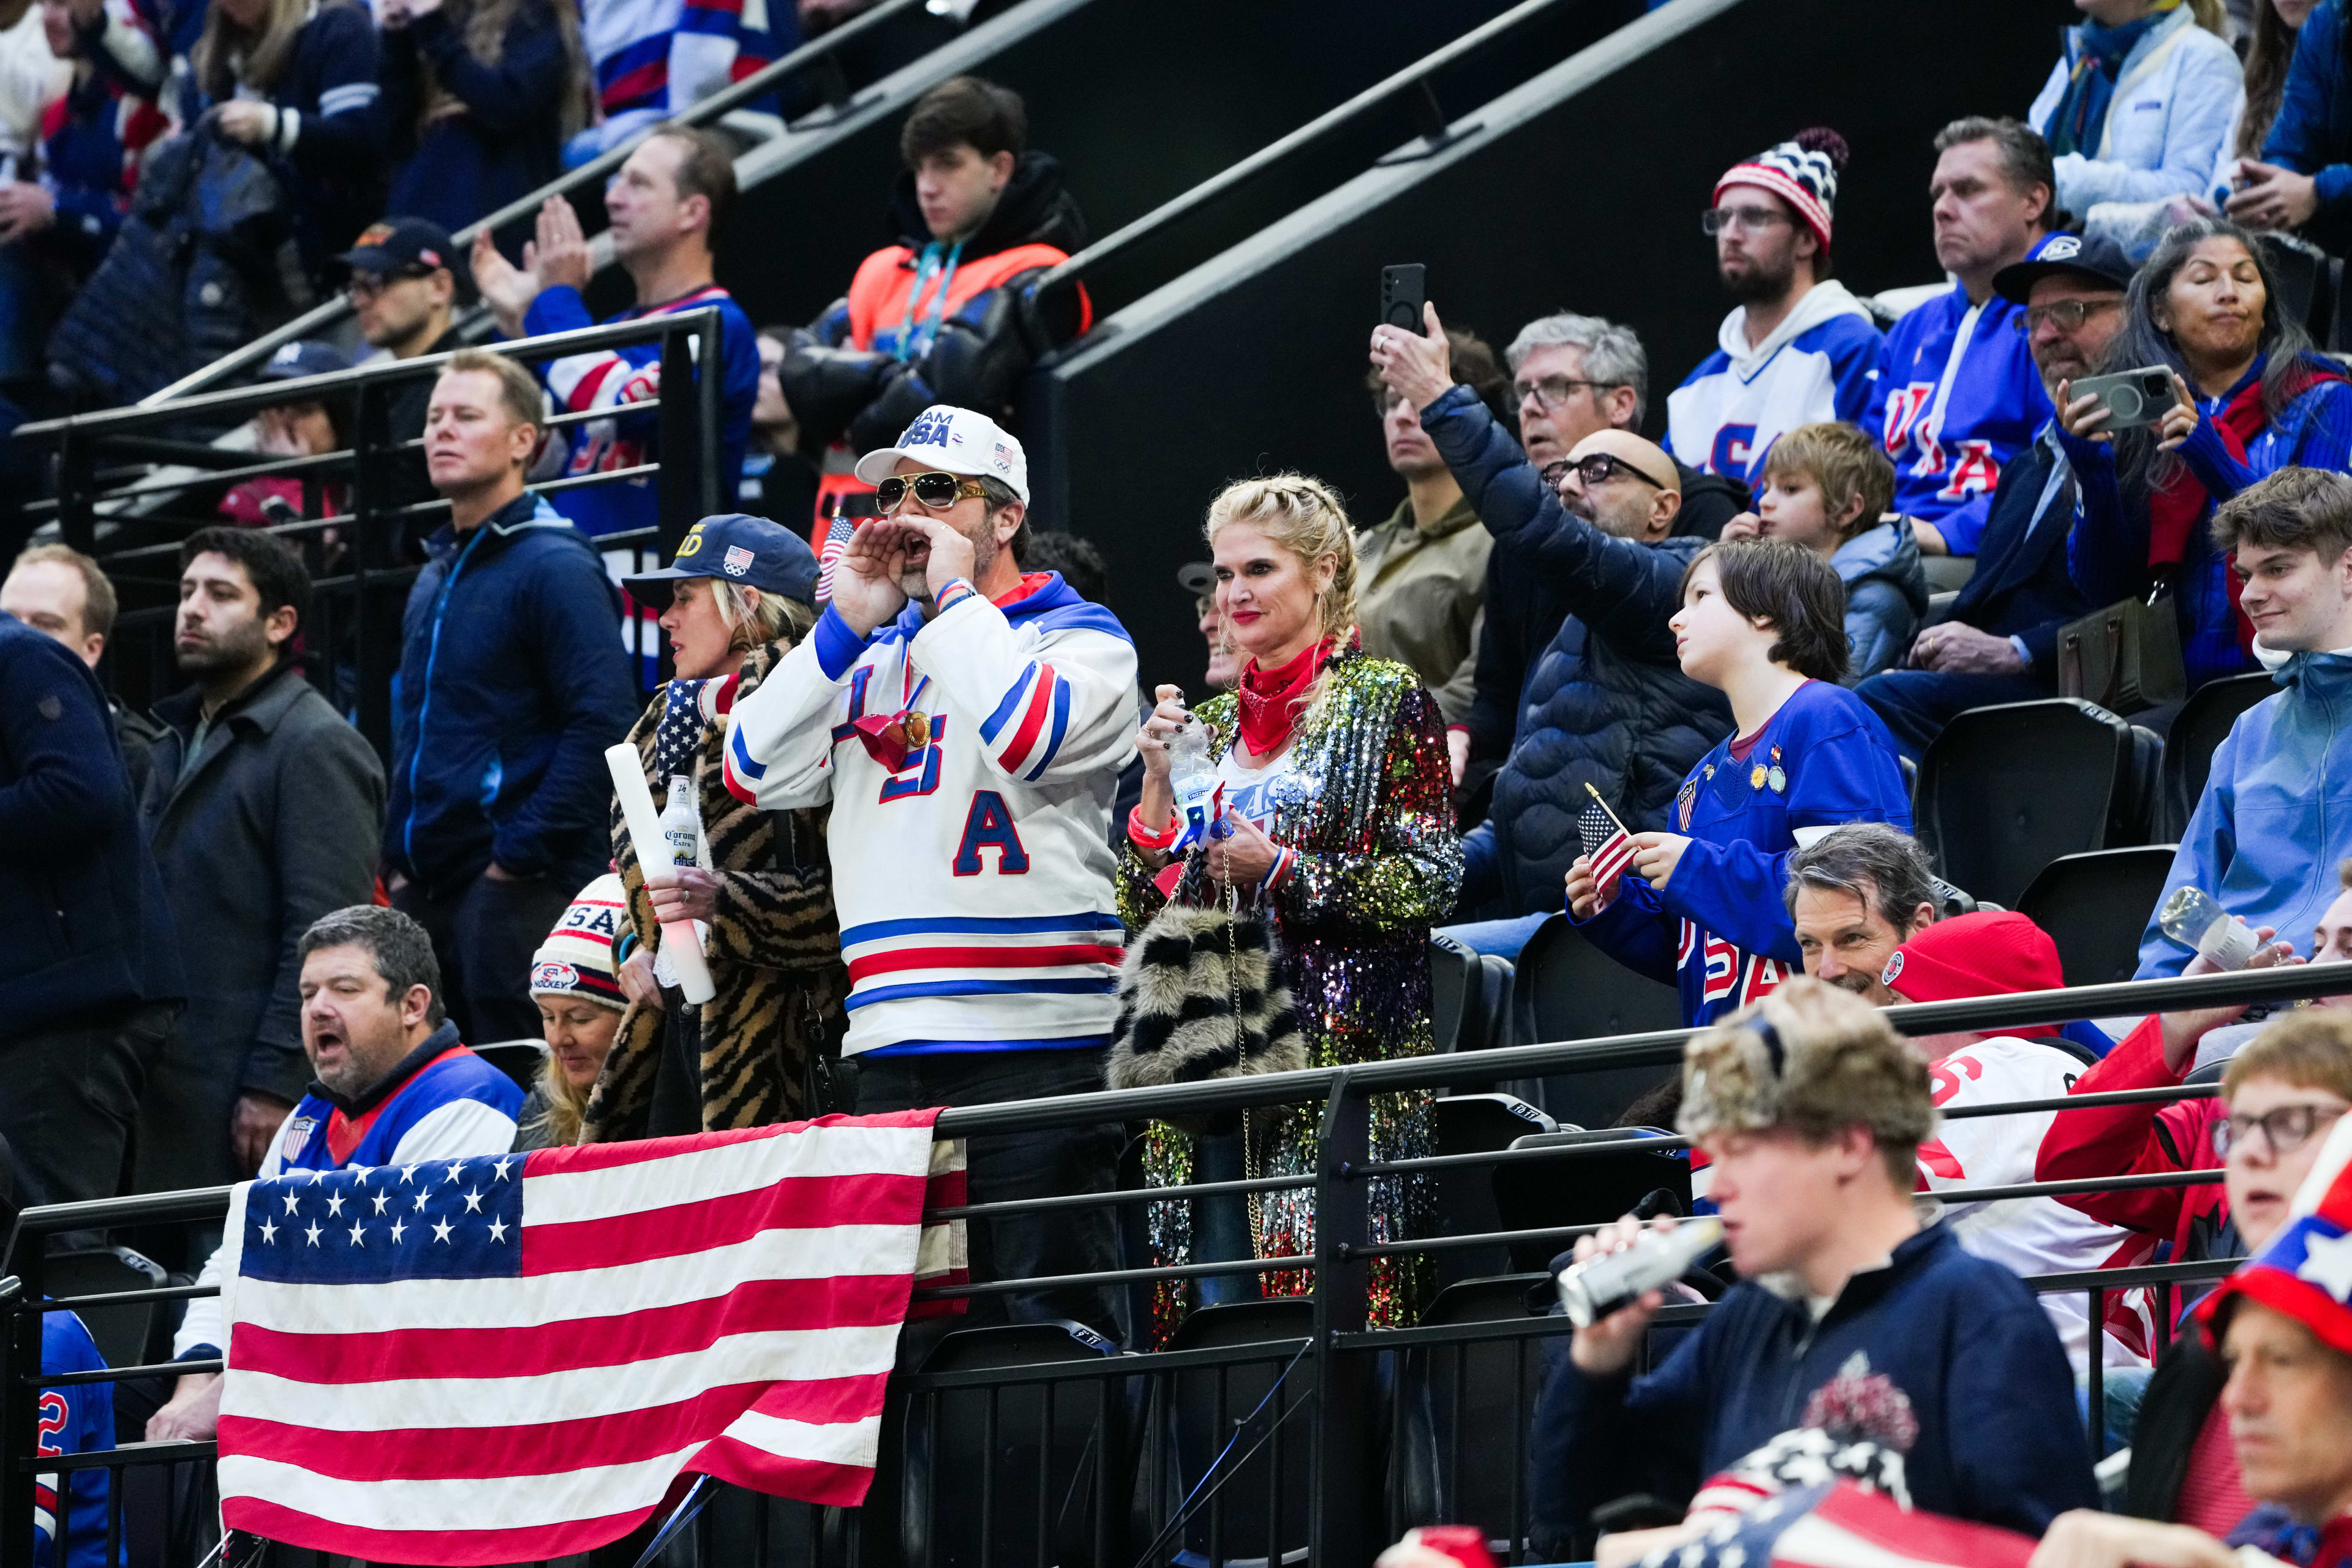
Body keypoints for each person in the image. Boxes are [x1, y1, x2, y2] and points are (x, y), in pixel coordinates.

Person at [722, 404, 1135, 1338]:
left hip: (1040, 1047)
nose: (906, 512)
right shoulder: (867, 651)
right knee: (897, 1346)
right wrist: (843, 628)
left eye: (938, 491)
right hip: (891, 1051)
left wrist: (952, 604)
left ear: (1004, 517)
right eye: (893, 491)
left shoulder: (1084, 636)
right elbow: (751, 767)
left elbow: (1030, 736)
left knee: (1048, 1332)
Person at [1533, 978, 2100, 1556]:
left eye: (1743, 1152)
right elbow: (1570, 1522)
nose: (1718, 1186)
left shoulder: (1976, 1313)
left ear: (1849, 1145)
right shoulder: (1752, 1315)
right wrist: (1595, 1365)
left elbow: (2040, 1554)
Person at [1118, 473, 1460, 1338]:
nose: (1233, 593)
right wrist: (1157, 793)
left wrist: (1284, 870)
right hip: (1203, 1080)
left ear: (1324, 572)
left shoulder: (1387, 700)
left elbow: (1432, 877)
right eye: (1223, 574)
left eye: (1259, 570)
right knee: (1214, 1345)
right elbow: (1142, 909)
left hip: (1334, 1074)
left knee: (1336, 1344)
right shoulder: (1203, 724)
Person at [1371, 307, 1730, 941]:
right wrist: (1389, 888)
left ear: (1662, 510)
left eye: (1600, 472)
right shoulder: (1569, 636)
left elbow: (1549, 536)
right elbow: (1521, 803)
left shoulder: (1682, 580)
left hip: (1633, 917)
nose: (1569, 487)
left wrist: (1439, 397)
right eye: (1562, 475)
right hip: (1545, 902)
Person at [148, 903, 527, 1443]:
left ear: (412, 1005)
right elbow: (235, 1256)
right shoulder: (310, 1115)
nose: (318, 1009)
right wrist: (197, 1379)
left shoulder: (468, 1100)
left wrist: (229, 1393)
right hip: (292, 1377)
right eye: (307, 994)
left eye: (344, 990)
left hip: (410, 1403)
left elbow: (389, 1285)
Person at [384, 348, 638, 1046]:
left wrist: (518, 858)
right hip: (433, 892)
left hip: (516, 892)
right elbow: (412, 727)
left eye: (466, 416)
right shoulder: (434, 573)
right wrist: (396, 863)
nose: (442, 430)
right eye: (435, 417)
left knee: (530, 1109)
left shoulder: (555, 562)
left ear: (524, 440)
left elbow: (605, 720)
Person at [135, 530, 382, 1234]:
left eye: (219, 594)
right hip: (160, 1085)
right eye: (186, 592)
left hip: (240, 1084)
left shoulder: (315, 744)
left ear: (280, 624)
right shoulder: (175, 737)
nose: (192, 609)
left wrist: (276, 1082)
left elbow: (329, 934)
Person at [1568, 541, 1912, 1027]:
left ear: (1765, 611)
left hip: (1826, 1052)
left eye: (1700, 597)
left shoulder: (1826, 718)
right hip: (1730, 1060)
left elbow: (1850, 896)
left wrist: (1696, 871)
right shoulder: (1697, 781)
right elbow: (1698, 955)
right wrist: (1617, 907)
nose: (1676, 620)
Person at [2038, 1003, 2352, 1533]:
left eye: (2290, 1125)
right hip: (2188, 1382)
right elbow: (2074, 1167)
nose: (2250, 1153)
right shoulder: (2202, 1368)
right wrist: (2176, 1024)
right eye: (2241, 1129)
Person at [587, 514, 848, 1139]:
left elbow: (860, 895)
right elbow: (650, 875)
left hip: (778, 1037)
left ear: (747, 604)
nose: (665, 619)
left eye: (684, 599)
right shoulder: (661, 718)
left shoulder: (825, 701)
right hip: (673, 1029)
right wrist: (636, 946)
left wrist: (728, 903)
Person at [1853, 233, 2130, 766]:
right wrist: (1926, 648)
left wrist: (2016, 652)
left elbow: (2145, 603)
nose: (2047, 334)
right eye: (2033, 318)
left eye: (2071, 312)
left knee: (1871, 708)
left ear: (2137, 316)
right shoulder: (2028, 465)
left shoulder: (2158, 445)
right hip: (1993, 690)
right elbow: (1987, 597)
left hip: (2079, 691)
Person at [2058, 218, 2352, 692]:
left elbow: (2321, 549)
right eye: (2203, 278)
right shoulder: (2138, 417)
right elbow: (2103, 588)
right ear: (2160, 312)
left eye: (2245, 277)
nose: (2228, 292)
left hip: (2288, 676)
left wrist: (2209, 458)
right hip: (2163, 685)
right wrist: (2092, 474)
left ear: (2265, 309)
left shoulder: (2323, 399)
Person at [781, 75, 1090, 484]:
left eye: (947, 163)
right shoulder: (882, 268)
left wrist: (856, 395)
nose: (926, 187)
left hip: (956, 531)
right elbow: (799, 374)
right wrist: (896, 378)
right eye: (919, 167)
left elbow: (949, 397)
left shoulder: (1038, 271)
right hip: (842, 531)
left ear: (998, 169)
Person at [469, 123, 760, 540]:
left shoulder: (718, 323)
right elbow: (544, 457)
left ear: (692, 212)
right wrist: (518, 322)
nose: (612, 198)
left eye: (638, 184)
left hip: (661, 587)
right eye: (616, 181)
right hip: (581, 571)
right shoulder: (609, 332)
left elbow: (618, 409)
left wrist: (555, 300)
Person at [2137, 466, 2352, 978]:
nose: (2251, 595)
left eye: (2277, 570)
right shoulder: (2248, 735)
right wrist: (2157, 1021)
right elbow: (2184, 908)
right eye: (2245, 575)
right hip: (2228, 1015)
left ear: (2348, 569)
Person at [0, 603, 178, 1216]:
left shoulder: (19, 655)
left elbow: (80, 789)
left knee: (54, 1251)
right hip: (40, 1009)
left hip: (67, 1008)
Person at [1871, 118, 2062, 558]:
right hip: (1892, 544)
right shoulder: (1909, 330)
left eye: (1968, 189)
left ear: (2033, 201)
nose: (1942, 208)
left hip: (1997, 556)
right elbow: (1863, 464)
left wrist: (1948, 534)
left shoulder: (2068, 313)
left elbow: (2061, 466)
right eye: (1938, 193)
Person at [1667, 127, 1884, 492]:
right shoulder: (1699, 382)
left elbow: (1866, 497)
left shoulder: (1854, 350)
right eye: (1722, 218)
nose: (1731, 234)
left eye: (1754, 217)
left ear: (1807, 239)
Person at [1356, 326, 1506, 756]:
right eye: (1390, 402)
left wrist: (1376, 743)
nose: (1401, 416)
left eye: (1418, 401)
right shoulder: (1363, 546)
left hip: (1441, 761)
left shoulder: (1496, 539)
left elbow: (1484, 679)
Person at [190, 0, 383, 281]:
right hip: (278, 265)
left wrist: (270, 124)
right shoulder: (222, 56)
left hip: (357, 252)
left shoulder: (338, 27)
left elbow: (361, 140)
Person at [1724, 423, 1921, 680]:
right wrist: (1728, 569)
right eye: (1766, 488)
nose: (1764, 502)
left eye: (1790, 489)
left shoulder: (1874, 596)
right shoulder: (1783, 580)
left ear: (1847, 510)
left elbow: (1839, 693)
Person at [378, 0, 586, 236]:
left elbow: (506, 105)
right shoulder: (446, 17)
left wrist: (434, 29)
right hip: (422, 206)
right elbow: (394, 137)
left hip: (492, 213)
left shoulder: (537, 14)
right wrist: (397, 41)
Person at [2027, 0, 2241, 217]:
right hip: (2052, 245)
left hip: (2140, 251)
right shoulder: (2082, 53)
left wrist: (2055, 178)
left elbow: (2190, 199)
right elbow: (2029, 151)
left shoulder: (2205, 57)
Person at [1, 541, 160, 799]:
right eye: (7, 620)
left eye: (45, 624)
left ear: (92, 649)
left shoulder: (137, 756)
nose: (18, 637)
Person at [339, 218, 467, 516]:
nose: (360, 302)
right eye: (355, 288)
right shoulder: (386, 390)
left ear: (439, 287)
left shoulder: (471, 383)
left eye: (374, 283)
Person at [514, 871, 627, 1150]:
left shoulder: (678, 1105)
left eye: (580, 1018)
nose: (558, 1039)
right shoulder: (543, 1107)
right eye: (548, 1016)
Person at [2235, 0, 2352, 252]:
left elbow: (2311, 192)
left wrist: (2319, 191)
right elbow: (2291, 142)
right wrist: (2266, 190)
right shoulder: (2326, 21)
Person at [214, 338, 350, 528]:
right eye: (276, 409)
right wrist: (289, 480)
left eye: (302, 409)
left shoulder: (373, 484)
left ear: (341, 420)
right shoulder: (248, 502)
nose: (286, 423)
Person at [739, 323, 819, 530]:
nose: (754, 381)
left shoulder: (834, 458)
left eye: (768, 369)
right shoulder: (728, 463)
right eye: (750, 369)